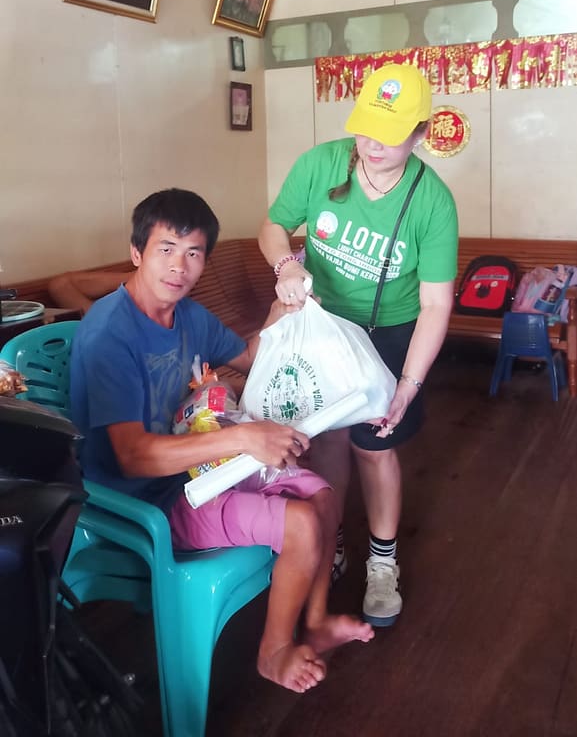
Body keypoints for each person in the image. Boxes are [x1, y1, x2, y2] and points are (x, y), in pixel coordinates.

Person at [69, 188, 373, 694]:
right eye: (166, 249)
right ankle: (273, 652)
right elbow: (133, 457)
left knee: (320, 492)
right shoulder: (109, 335)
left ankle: (316, 621)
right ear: (137, 253)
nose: (179, 266)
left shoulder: (187, 315)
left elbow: (248, 357)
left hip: (195, 470)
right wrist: (246, 439)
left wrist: (283, 311)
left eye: (193, 253)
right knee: (300, 524)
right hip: (143, 499)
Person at [258, 63, 458, 628]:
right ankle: (333, 538)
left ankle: (383, 562)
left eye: (389, 134)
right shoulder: (320, 163)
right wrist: (285, 266)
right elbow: (273, 227)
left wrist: (408, 384)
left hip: (391, 332)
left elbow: (436, 304)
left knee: (374, 445)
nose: (372, 144)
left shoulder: (432, 201)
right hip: (324, 324)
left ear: (421, 133)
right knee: (325, 441)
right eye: (366, 127)